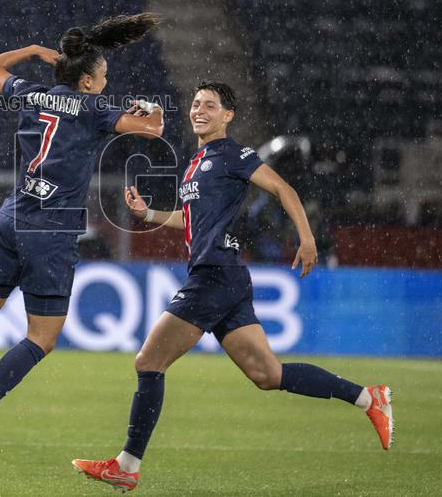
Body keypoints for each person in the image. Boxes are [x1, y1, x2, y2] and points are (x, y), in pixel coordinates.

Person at [72, 82, 393, 492]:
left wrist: (307, 238)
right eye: (196, 104)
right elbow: (192, 221)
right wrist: (149, 213)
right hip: (227, 277)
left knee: (148, 362)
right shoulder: (196, 162)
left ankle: (127, 466)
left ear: (228, 116)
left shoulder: (233, 155)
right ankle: (368, 398)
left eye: (210, 105)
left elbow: (284, 189)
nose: (199, 110)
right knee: (268, 374)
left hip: (214, 275)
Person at [0, 13, 165, 460]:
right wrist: (151, 108)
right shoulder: (94, 110)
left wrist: (35, 51)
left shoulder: (32, 93)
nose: (105, 84)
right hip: (50, 232)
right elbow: (153, 130)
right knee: (42, 337)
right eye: (102, 77)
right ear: (86, 82)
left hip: (12, 216)